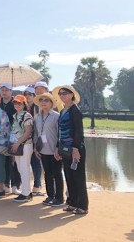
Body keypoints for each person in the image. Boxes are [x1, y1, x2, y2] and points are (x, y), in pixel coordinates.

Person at [53, 85, 88, 215]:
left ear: (72, 95)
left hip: (75, 149)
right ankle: (72, 202)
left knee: (78, 177)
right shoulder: (62, 111)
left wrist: (75, 148)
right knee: (68, 176)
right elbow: (60, 131)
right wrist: (57, 147)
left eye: (65, 93)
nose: (62, 96)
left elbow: (79, 132)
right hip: (65, 148)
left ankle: (83, 205)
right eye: (61, 94)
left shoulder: (75, 111)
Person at [33, 92, 63, 207]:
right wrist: (36, 147)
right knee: (47, 174)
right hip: (43, 150)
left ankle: (59, 198)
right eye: (42, 100)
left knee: (57, 174)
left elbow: (60, 134)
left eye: (46, 100)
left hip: (54, 150)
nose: (43, 102)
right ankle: (50, 195)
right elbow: (36, 133)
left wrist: (58, 148)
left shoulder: (56, 116)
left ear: (51, 103)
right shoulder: (37, 117)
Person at [10, 94, 34, 202]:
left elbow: (28, 131)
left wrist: (19, 142)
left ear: (24, 104)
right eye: (15, 103)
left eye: (19, 103)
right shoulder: (15, 116)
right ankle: (27, 192)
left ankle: (25, 194)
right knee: (20, 169)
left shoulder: (27, 115)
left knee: (24, 169)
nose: (17, 105)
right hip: (17, 145)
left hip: (25, 144)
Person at [0, 83, 21, 194]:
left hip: (14, 136)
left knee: (14, 162)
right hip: (1, 138)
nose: (4, 92)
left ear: (11, 91)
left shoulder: (16, 104)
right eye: (2, 90)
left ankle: (16, 185)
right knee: (4, 162)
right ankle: (5, 184)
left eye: (6, 90)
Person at [25, 86, 44, 197]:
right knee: (29, 162)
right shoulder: (24, 107)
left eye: (30, 94)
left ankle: (37, 186)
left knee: (36, 162)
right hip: (26, 138)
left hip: (35, 138)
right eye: (26, 94)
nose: (27, 96)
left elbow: (37, 125)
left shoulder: (36, 107)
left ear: (34, 96)